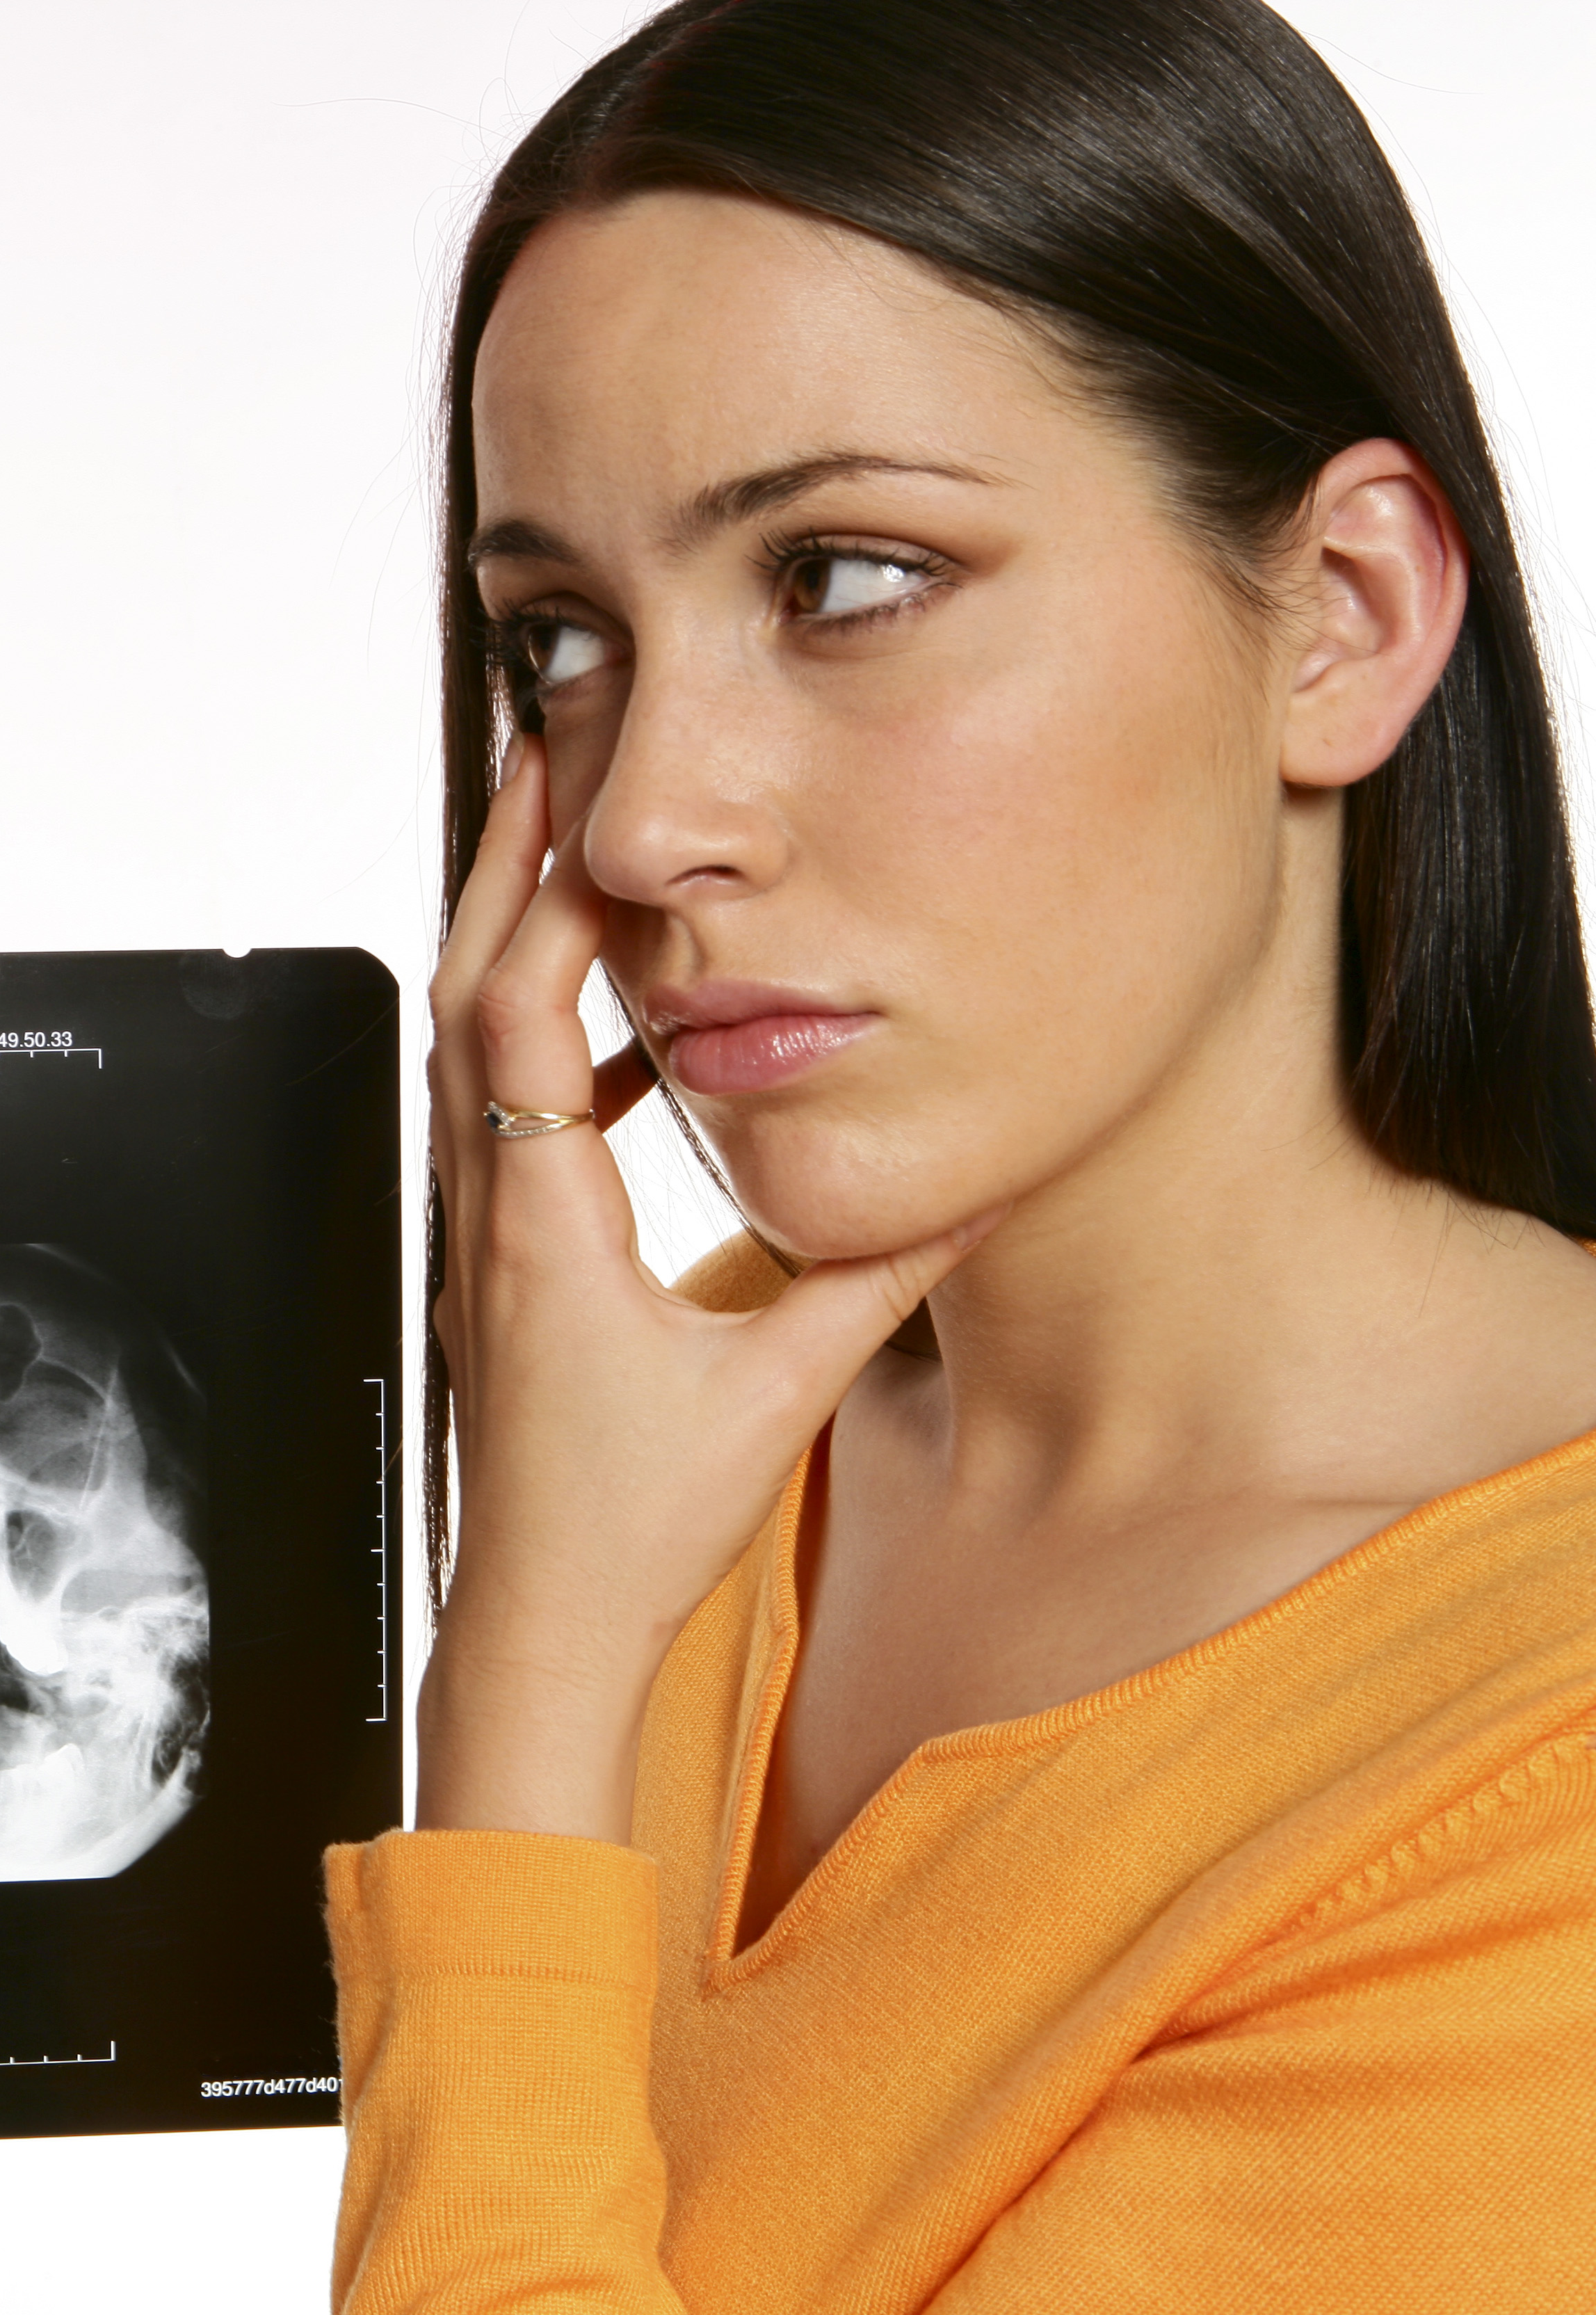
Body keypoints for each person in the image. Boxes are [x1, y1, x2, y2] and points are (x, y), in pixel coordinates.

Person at [332, 0, 1596, 2307]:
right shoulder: (660, 1426)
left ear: (1346, 617)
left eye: (844, 577)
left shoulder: (1541, 1762)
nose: (641, 819)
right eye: (560, 641)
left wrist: (523, 1698)